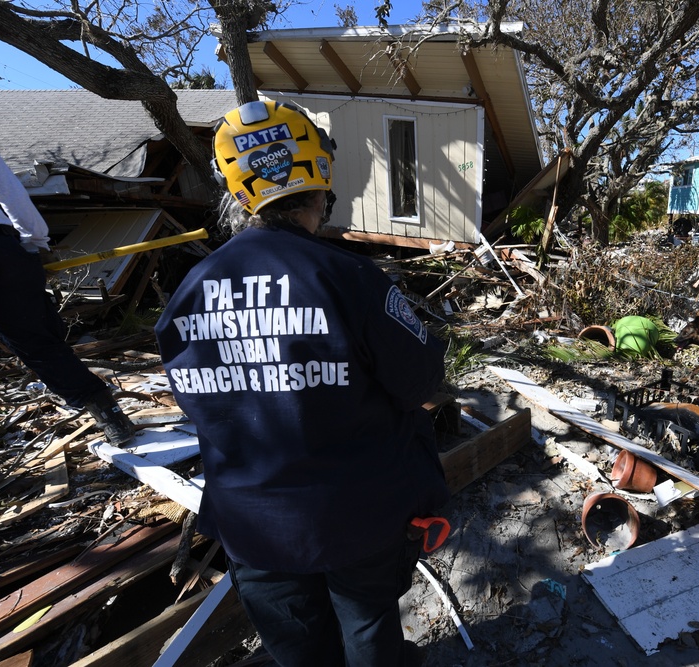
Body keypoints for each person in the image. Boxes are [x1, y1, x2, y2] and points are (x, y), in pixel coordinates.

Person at [154, 100, 450, 666]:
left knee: (296, 647)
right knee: (367, 633)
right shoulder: (351, 278)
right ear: (320, 172)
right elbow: (421, 383)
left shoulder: (190, 290)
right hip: (359, 515)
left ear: (237, 189)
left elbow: (198, 400)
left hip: (252, 521)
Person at [0, 131, 136, 487]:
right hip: (0, 243)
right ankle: (111, 417)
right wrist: (33, 239)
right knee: (38, 342)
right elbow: (5, 185)